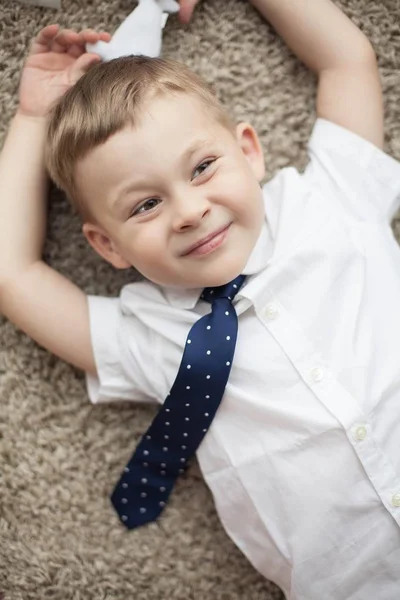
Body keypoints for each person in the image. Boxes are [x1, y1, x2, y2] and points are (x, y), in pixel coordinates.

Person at [1, 0, 400, 597]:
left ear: (249, 150)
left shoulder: (334, 200)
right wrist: (34, 118)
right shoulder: (149, 335)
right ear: (107, 245)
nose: (190, 212)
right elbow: (13, 275)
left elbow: (347, 60)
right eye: (145, 205)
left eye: (204, 167)